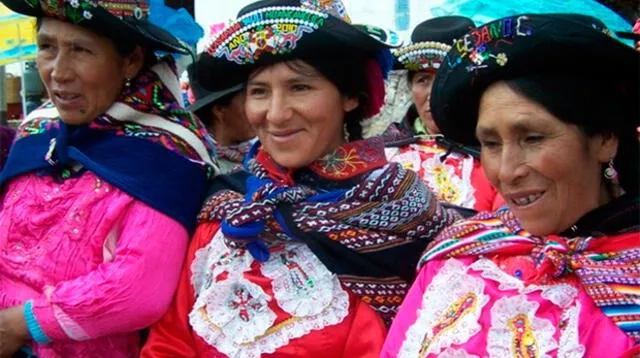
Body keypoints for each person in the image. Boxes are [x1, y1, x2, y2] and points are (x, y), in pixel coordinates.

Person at [141, 0, 459, 357]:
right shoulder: (228, 206)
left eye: (300, 88)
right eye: (259, 91)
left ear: (350, 96)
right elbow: (170, 340)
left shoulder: (396, 214)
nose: (276, 115)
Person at [381, 13, 639, 357]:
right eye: (490, 143)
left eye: (532, 138)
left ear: (605, 139)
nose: (506, 171)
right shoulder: (458, 254)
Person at [0, 0, 216, 357]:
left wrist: (20, 324)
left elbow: (139, 288)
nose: (58, 71)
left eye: (81, 50)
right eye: (47, 47)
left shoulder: (170, 151)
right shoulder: (38, 130)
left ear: (130, 60)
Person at [384, 16, 503, 212]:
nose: (434, 94)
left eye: (446, 80)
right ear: (410, 87)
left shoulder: (502, 160)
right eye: (423, 80)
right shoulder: (383, 154)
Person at [187, 57, 256, 175]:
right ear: (219, 110)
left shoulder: (258, 154)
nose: (256, 110)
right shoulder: (204, 168)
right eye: (248, 102)